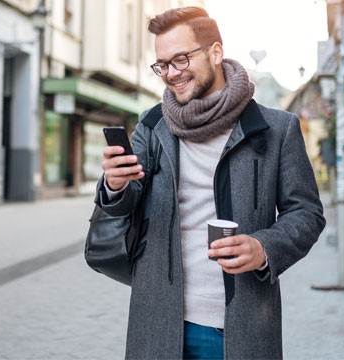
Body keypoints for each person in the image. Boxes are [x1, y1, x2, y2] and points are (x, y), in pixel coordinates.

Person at [95, 6, 326, 360]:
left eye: (181, 60)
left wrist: (264, 247)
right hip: (157, 322)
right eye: (162, 65)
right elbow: (130, 196)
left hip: (238, 325)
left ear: (216, 53)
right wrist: (115, 183)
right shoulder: (152, 124)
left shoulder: (277, 129)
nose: (171, 74)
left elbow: (307, 213)